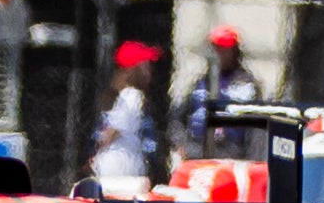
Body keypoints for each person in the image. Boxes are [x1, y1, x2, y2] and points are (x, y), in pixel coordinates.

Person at [174, 25, 262, 157]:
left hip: (231, 154)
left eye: (225, 49)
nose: (219, 53)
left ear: (235, 51)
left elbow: (257, 128)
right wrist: (181, 143)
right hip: (197, 151)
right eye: (216, 49)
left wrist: (251, 159)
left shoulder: (247, 84)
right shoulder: (201, 83)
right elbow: (177, 117)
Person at [89, 40, 160, 192]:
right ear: (133, 70)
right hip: (122, 167)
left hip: (109, 166)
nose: (149, 71)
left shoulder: (115, 96)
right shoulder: (132, 96)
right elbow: (112, 132)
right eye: (145, 66)